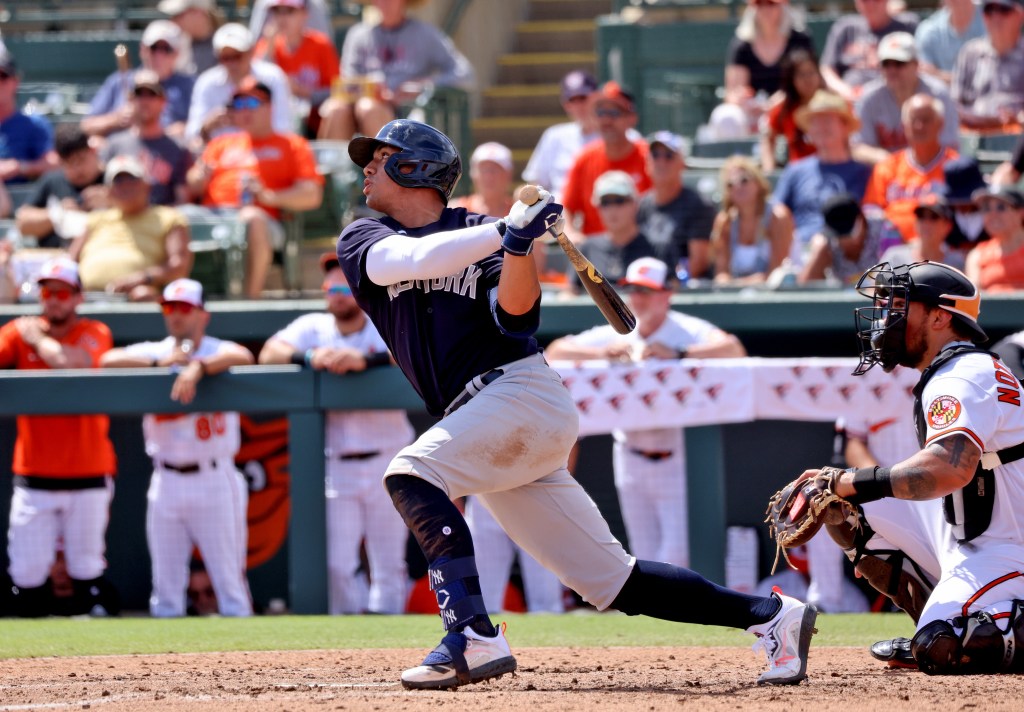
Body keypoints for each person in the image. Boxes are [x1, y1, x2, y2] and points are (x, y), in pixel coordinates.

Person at [335, 118, 818, 690]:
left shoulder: (481, 231)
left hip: (518, 391)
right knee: (611, 582)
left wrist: (518, 246)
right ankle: (771, 618)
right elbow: (408, 264)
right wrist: (505, 230)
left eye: (381, 156)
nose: (367, 167)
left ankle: (471, 636)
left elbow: (517, 318)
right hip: (481, 419)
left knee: (411, 473)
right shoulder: (364, 236)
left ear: (415, 168)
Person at [801, 260, 1024, 674]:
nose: (886, 319)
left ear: (939, 316)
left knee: (941, 645)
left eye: (899, 306)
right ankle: (945, 615)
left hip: (1010, 548)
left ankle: (960, 624)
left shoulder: (963, 374)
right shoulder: (959, 369)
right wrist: (843, 488)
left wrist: (855, 480)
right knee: (846, 506)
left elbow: (948, 469)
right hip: (976, 538)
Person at [547, 257, 746, 569]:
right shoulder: (618, 328)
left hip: (676, 456)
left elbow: (734, 349)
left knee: (677, 555)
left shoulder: (684, 329)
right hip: (629, 454)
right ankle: (656, 618)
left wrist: (680, 354)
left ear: (667, 293)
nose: (638, 298)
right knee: (644, 553)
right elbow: (555, 351)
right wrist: (601, 353)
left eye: (646, 291)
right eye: (633, 290)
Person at [259, 254, 414, 614]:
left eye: (346, 287)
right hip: (338, 464)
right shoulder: (313, 327)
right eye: (332, 288)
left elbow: (412, 349)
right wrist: (310, 356)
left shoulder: (383, 320)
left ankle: (390, 634)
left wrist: (366, 361)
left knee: (389, 563)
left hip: (389, 458)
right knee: (337, 564)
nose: (338, 294)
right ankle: (354, 637)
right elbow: (269, 352)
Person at [100, 278, 255, 618]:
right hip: (166, 478)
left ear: (202, 314)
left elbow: (243, 354)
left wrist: (199, 366)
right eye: (169, 308)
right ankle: (167, 669)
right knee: (166, 587)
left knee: (229, 582)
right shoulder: (156, 350)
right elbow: (107, 359)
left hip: (214, 475)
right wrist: (160, 365)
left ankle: (249, 666)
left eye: (184, 308)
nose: (176, 316)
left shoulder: (216, 348)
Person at [0, 257, 119, 618]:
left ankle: (100, 662)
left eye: (62, 293)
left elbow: (76, 363)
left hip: (88, 471)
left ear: (78, 298)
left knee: (86, 566)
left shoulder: (94, 331)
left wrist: (37, 340)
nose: (54, 300)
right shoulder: (18, 332)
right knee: (26, 571)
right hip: (35, 474)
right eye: (48, 292)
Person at [186, 78, 323, 297]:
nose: (244, 112)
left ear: (270, 107)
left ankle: (250, 299)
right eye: (238, 106)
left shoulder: (292, 144)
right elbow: (192, 185)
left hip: (265, 220)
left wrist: (269, 197)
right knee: (174, 218)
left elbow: (311, 195)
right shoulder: (221, 143)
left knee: (251, 218)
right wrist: (199, 176)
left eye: (251, 104)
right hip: (213, 215)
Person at [317, 0, 475, 141]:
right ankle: (334, 172)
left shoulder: (425, 33)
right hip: (357, 115)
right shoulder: (358, 35)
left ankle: (388, 169)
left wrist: (422, 86)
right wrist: (373, 90)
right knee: (336, 109)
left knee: (368, 108)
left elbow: (464, 74)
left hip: (408, 115)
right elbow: (347, 83)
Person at [70, 155, 192, 300]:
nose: (125, 185)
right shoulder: (96, 219)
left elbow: (179, 266)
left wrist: (143, 278)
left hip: (136, 299)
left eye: (132, 179)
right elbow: (69, 260)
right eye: (118, 181)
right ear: (108, 191)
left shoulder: (169, 218)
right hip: (83, 297)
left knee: (144, 295)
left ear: (147, 185)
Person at [771, 90, 872, 264]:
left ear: (845, 127)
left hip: (849, 256)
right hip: (800, 253)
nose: (820, 127)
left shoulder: (865, 172)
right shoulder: (795, 171)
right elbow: (776, 214)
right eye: (815, 122)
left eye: (827, 120)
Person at [861, 93, 959, 241]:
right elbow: (871, 210)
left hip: (939, 249)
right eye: (914, 120)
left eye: (926, 120)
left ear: (941, 124)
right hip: (892, 248)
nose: (920, 126)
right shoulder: (887, 166)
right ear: (904, 125)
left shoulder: (955, 166)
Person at [561, 82, 652, 240]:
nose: (606, 120)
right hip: (595, 256)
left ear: (632, 118)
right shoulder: (584, 158)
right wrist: (571, 234)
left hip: (642, 248)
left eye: (615, 112)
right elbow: (567, 207)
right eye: (601, 112)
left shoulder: (650, 156)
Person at [851, 33, 960, 165]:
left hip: (931, 171)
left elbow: (949, 146)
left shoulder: (938, 94)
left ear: (916, 65)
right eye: (886, 64)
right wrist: (894, 164)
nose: (892, 70)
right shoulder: (869, 98)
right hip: (886, 173)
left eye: (899, 63)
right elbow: (858, 147)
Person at [82, 20, 195, 140]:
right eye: (154, 48)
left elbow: (201, 125)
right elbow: (86, 126)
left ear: (177, 53)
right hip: (121, 153)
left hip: (169, 153)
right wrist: (116, 119)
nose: (158, 56)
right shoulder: (119, 80)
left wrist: (181, 129)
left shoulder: (189, 85)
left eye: (166, 49)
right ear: (143, 49)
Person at [185, 23, 294, 145]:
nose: (232, 63)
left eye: (237, 56)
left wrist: (255, 124)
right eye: (225, 58)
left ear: (251, 52)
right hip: (220, 156)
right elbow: (192, 134)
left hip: (265, 153)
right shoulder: (207, 82)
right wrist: (209, 125)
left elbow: (284, 127)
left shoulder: (272, 77)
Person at [719, 0, 815, 135]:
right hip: (752, 114)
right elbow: (732, 92)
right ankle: (738, 156)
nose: (765, 9)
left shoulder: (799, 40)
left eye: (771, 4)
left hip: (790, 107)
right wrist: (745, 100)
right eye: (759, 4)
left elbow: (807, 83)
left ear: (783, 7)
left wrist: (774, 104)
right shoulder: (741, 45)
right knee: (725, 116)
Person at [100, 70, 194, 207]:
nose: (145, 101)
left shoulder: (177, 148)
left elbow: (182, 199)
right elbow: (105, 194)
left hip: (161, 221)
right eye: (139, 95)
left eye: (152, 95)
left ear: (163, 101)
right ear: (130, 101)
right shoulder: (114, 144)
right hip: (124, 221)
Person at [463, 496, 565, 614]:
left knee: (546, 603)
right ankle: (481, 629)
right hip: (485, 494)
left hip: (532, 490)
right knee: (484, 602)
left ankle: (549, 629)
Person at [636, 131, 715, 281]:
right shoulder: (641, 205)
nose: (661, 162)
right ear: (647, 163)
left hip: (679, 290)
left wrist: (664, 286)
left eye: (669, 156)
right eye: (655, 155)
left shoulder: (698, 205)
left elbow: (698, 264)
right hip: (645, 286)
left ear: (682, 164)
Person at [565, 171, 661, 295]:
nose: (612, 209)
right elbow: (570, 293)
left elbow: (671, 294)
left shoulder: (657, 246)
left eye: (619, 201)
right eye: (605, 203)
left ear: (635, 203)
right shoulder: (586, 248)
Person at [253, 0, 340, 135]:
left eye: (289, 11)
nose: (282, 18)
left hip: (317, 124)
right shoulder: (266, 45)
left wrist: (302, 92)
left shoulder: (321, 44)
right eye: (277, 12)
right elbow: (254, 86)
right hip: (279, 125)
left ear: (304, 14)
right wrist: (269, 48)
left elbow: (336, 91)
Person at [14, 126, 107, 249]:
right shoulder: (52, 181)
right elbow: (23, 223)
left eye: (81, 160)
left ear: (92, 151)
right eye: (69, 163)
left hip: (102, 254)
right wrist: (57, 214)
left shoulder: (112, 178)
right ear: (60, 161)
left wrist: (112, 201)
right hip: (55, 257)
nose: (78, 169)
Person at [710, 155, 793, 285]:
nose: (738, 186)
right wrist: (730, 284)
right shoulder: (724, 222)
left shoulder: (778, 216)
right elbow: (721, 273)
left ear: (758, 183)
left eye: (744, 180)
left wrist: (736, 284)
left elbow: (777, 273)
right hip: (735, 295)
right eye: (730, 184)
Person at [522, 69, 600, 201]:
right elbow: (534, 182)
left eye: (583, 98)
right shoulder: (554, 136)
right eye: (572, 100)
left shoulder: (619, 136)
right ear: (565, 104)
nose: (578, 105)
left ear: (597, 97)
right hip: (559, 215)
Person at [820, 0, 917, 102]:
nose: (871, 4)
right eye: (865, 0)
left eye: (877, 0)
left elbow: (919, 67)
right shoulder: (845, 28)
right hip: (850, 102)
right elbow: (827, 69)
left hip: (893, 100)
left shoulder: (907, 26)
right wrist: (847, 92)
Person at [951, 0, 1024, 131]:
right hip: (974, 135)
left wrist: (1017, 118)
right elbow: (955, 103)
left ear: (1020, 16)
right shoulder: (969, 53)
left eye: (1004, 10)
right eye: (989, 11)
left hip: (1017, 137)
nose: (996, 17)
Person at [799, 192, 900, 284]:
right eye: (838, 234)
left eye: (847, 232)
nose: (843, 239)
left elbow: (900, 278)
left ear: (861, 219)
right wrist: (818, 253)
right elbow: (805, 287)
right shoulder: (827, 242)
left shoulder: (885, 230)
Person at [760, 48, 822, 171]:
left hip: (828, 169)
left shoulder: (833, 106)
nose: (807, 79)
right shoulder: (784, 108)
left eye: (811, 72)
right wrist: (769, 170)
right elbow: (768, 140)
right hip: (798, 173)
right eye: (801, 74)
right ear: (791, 79)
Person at [0, 50, 57, 184]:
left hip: (22, 201)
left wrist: (20, 167)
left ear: (15, 81)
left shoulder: (34, 124)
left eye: (2, 76)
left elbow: (54, 163)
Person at [879, 192, 966, 270]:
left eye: (933, 217)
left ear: (947, 226)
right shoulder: (895, 258)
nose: (926, 223)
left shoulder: (955, 264)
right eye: (921, 216)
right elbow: (874, 287)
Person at [964, 186, 1024, 292]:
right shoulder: (977, 255)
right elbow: (975, 300)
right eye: (986, 208)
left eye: (1001, 207)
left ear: (1020, 212)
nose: (992, 214)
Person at [914, 0, 986, 85]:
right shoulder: (928, 30)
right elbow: (925, 78)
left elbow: (993, 77)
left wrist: (939, 75)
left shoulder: (995, 15)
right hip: (942, 96)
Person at [449, 142, 516, 218]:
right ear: (472, 174)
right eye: (483, 170)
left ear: (509, 175)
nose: (489, 176)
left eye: (495, 170)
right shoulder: (454, 212)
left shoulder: (520, 214)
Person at [158, 0, 221, 77]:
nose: (173, 21)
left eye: (178, 15)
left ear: (198, 12)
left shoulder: (226, 45)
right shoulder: (176, 44)